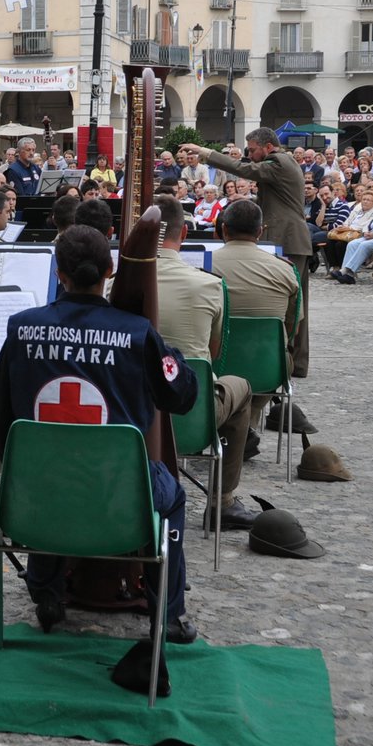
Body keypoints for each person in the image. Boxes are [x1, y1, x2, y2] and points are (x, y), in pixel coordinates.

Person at [0, 225, 197, 642]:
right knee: (172, 496)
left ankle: (46, 592)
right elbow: (182, 397)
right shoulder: (137, 333)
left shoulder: (20, 327)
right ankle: (168, 614)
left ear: (58, 272)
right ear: (110, 269)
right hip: (119, 494)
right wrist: (169, 353)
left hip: (34, 491)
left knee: (50, 471)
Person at [151, 198, 257, 529]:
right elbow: (211, 353)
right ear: (184, 232)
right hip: (191, 416)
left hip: (136, 415)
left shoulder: (119, 282)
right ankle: (222, 502)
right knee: (240, 387)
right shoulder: (210, 284)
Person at [186, 128, 312, 378]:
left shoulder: (278, 163)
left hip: (286, 238)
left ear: (267, 147)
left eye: (253, 149)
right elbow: (247, 164)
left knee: (295, 305)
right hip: (289, 238)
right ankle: (295, 362)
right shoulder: (278, 161)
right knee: (298, 305)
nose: (250, 154)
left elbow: (245, 170)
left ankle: (287, 360)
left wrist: (206, 153)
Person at [212, 200, 300, 434]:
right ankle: (246, 424)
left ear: (224, 230)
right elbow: (292, 330)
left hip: (216, 363)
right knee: (284, 357)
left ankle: (231, 421)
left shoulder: (203, 267)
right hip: (267, 366)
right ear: (260, 232)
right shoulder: (286, 270)